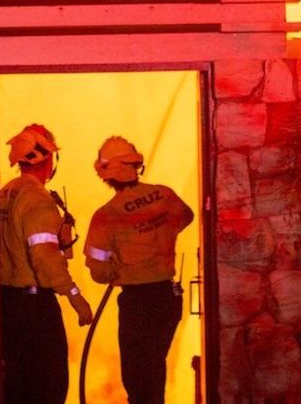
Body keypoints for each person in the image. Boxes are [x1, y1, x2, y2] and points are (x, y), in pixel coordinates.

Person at [84, 136, 194, 404]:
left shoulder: (106, 216)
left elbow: (98, 271)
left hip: (137, 303)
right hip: (168, 297)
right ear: (135, 166)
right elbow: (186, 216)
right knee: (155, 366)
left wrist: (119, 268)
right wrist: (162, 236)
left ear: (107, 174)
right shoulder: (164, 194)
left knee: (138, 376)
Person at [0, 123, 94, 404]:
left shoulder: (6, 192)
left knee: (18, 386)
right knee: (49, 385)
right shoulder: (37, 199)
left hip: (7, 304)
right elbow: (45, 259)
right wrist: (76, 297)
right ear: (48, 158)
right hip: (35, 308)